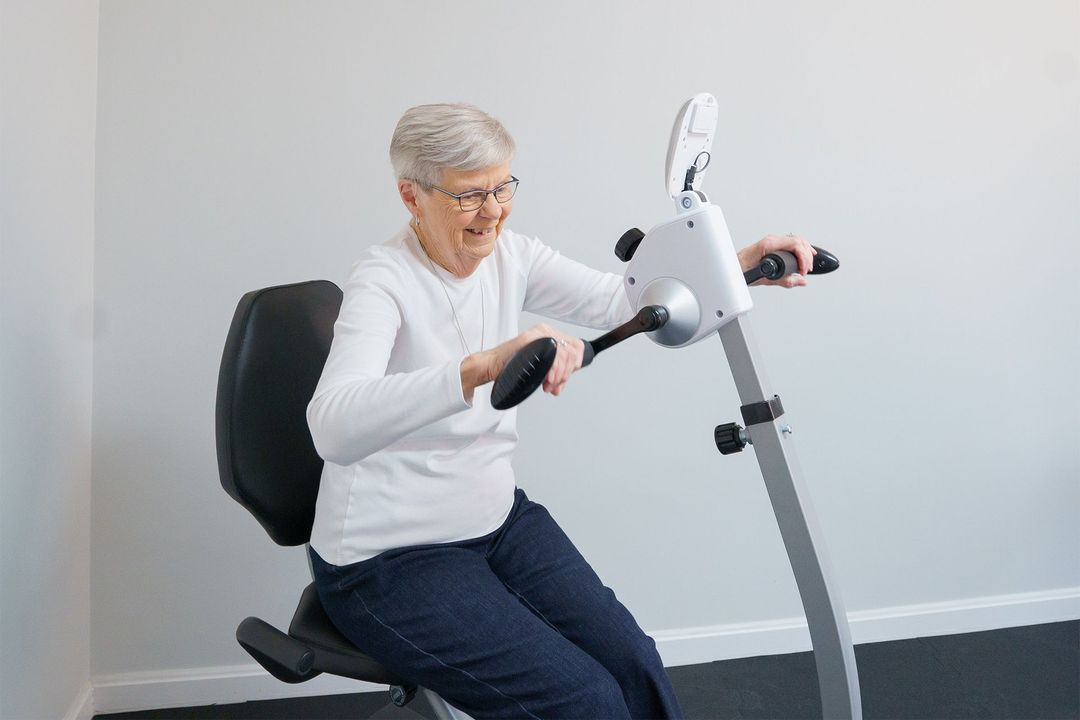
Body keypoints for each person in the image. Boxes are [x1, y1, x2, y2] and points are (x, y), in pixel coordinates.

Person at [306, 103, 816, 720]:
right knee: (583, 700)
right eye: (469, 196)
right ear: (411, 197)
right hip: (387, 561)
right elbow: (331, 426)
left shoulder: (510, 254)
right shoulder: (381, 281)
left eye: (502, 187)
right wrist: (482, 366)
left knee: (634, 663)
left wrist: (740, 264)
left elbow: (614, 301)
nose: (493, 210)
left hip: (496, 522)